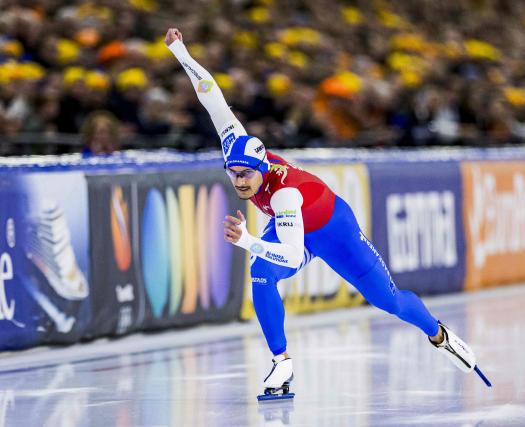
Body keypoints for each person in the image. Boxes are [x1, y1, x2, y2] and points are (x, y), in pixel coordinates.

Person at [164, 28, 484, 399]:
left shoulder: (283, 195)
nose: (239, 182)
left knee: (389, 301)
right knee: (261, 273)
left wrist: (248, 239)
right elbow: (212, 97)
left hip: (335, 232)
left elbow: (291, 252)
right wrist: (180, 50)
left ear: (262, 169)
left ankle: (438, 334)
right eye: (232, 174)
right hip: (296, 228)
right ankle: (281, 360)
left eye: (246, 175)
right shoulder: (236, 145)